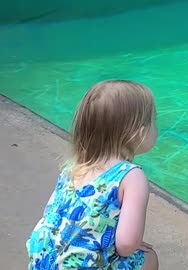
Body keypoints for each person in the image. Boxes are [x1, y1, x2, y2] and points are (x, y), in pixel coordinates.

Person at [26, 80, 159, 270]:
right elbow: (127, 245)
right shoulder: (131, 176)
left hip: (43, 262)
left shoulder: (73, 169)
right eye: (154, 121)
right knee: (148, 259)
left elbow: (54, 218)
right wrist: (131, 242)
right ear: (139, 132)